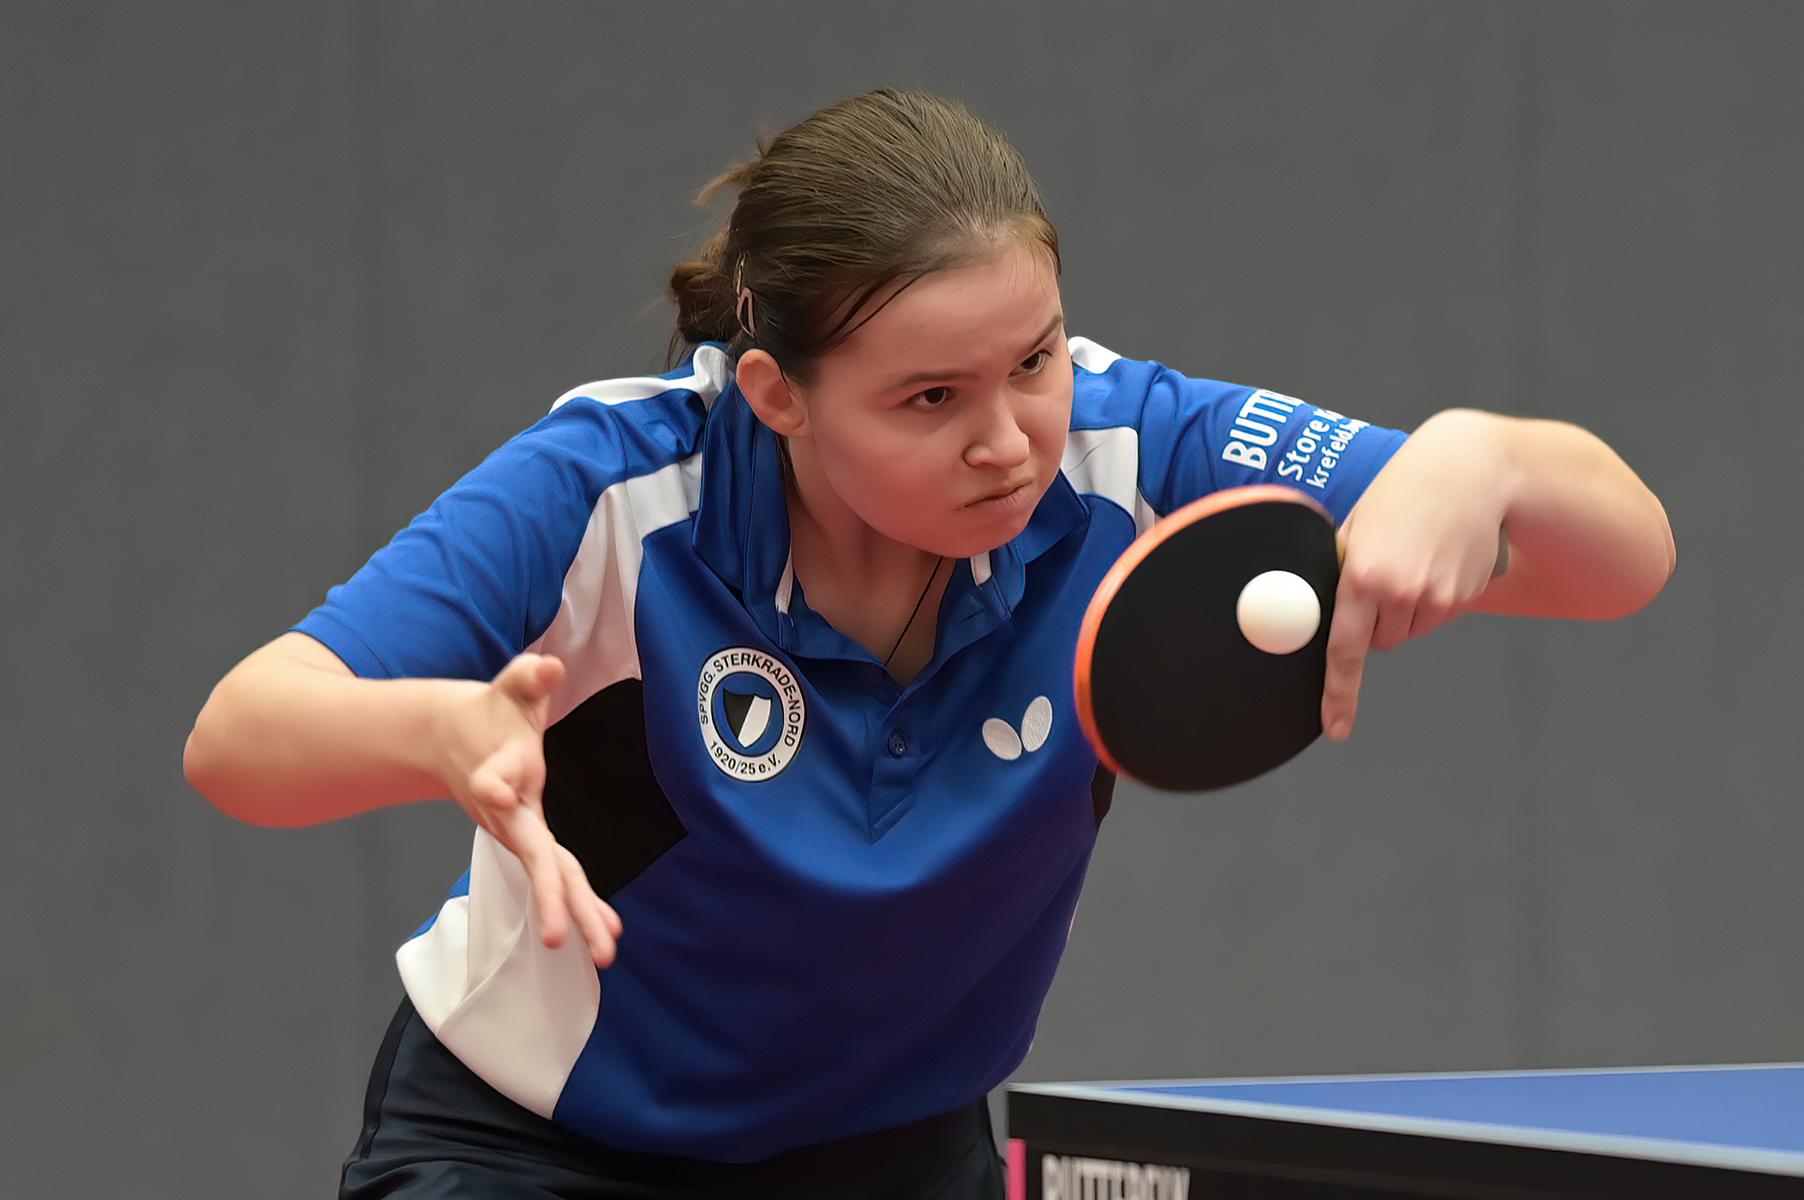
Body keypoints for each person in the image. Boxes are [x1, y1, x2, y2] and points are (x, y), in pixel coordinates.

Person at [182, 88, 1676, 1199]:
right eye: (929, 399)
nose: (1008, 439)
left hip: (900, 1156)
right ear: (778, 395)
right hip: (539, 1150)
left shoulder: (1137, 454)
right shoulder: (614, 492)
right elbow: (242, 736)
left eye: (1033, 361)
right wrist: (439, 732)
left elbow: (1615, 564)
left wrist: (1485, 457)